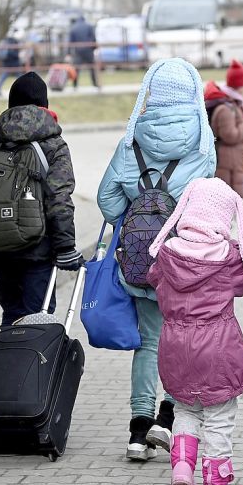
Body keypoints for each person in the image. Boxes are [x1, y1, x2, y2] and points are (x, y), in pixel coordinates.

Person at [97, 58, 217, 462]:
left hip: (140, 263)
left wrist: (135, 219)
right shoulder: (202, 140)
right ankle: (167, 421)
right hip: (183, 262)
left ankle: (136, 431)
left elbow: (106, 199)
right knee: (181, 340)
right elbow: (204, 204)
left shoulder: (132, 137)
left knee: (149, 342)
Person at [147, 177, 243, 485]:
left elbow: (153, 278)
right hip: (217, 347)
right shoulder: (226, 257)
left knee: (185, 407)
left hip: (174, 345)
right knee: (219, 415)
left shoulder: (167, 253)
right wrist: (236, 244)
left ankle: (182, 466)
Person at [0, 72, 82, 325]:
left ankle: (6, 364)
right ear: (44, 105)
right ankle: (30, 364)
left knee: (12, 315)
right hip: (38, 248)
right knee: (38, 321)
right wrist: (66, 248)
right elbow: (59, 198)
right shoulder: (53, 145)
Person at [205, 59, 243, 196]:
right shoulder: (225, 109)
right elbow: (230, 136)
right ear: (240, 84)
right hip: (229, 165)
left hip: (234, 161)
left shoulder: (232, 103)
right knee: (232, 198)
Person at [68, 16, 99, 90]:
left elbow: (70, 42)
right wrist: (94, 48)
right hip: (88, 50)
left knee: (76, 69)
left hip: (78, 51)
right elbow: (93, 38)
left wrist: (68, 53)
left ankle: (75, 85)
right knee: (92, 68)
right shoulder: (89, 26)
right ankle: (95, 85)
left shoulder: (73, 28)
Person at [0, 29, 22, 97]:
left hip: (7, 63)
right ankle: (24, 90)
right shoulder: (14, 41)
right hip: (14, 63)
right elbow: (15, 53)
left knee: (4, 76)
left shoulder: (5, 41)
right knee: (19, 77)